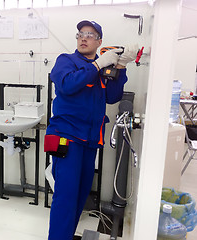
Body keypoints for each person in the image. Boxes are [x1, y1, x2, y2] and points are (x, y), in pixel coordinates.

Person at [45, 20, 137, 240]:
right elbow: (67, 85)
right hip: (66, 138)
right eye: (80, 34)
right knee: (66, 197)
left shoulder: (103, 66)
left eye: (90, 34)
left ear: (99, 42)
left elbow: (112, 96)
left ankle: (65, 236)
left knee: (79, 197)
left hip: (90, 141)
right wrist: (97, 66)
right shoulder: (65, 61)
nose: (83, 37)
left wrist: (121, 65)